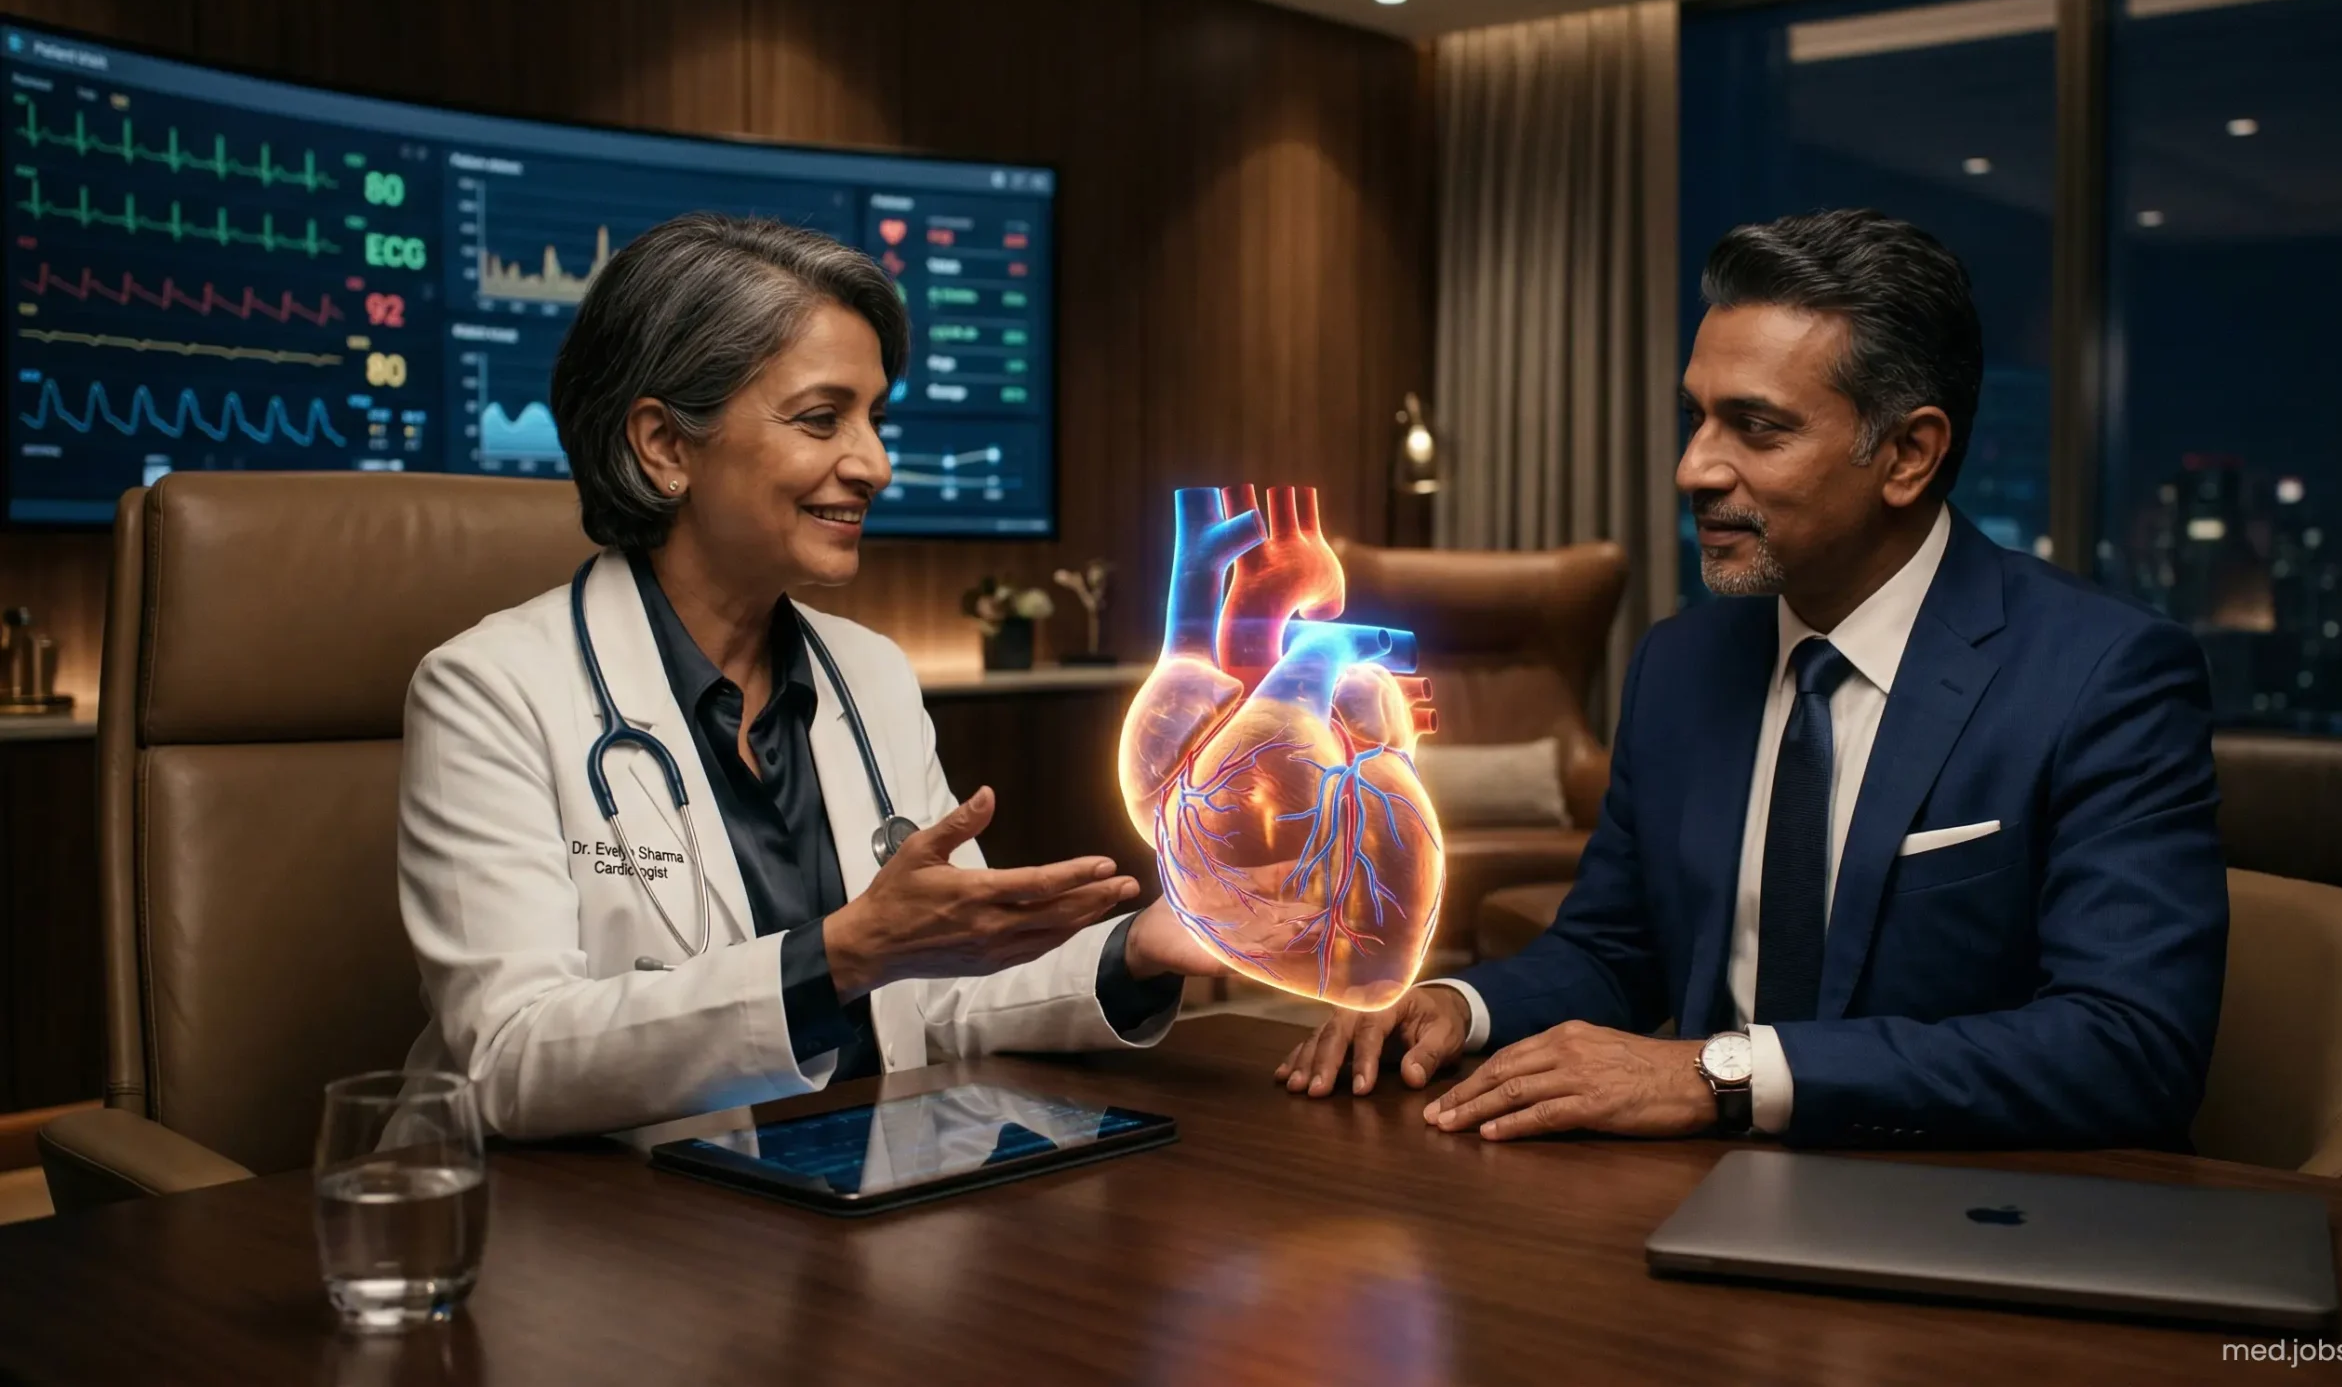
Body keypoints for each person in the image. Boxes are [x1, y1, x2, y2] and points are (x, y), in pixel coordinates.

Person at [1277, 209, 2227, 1151]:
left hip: (1972, 1215)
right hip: (1696, 1202)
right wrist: (1458, 1003)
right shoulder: (1679, 664)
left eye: (1756, 428)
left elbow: (2129, 1046)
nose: (1694, 468)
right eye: (1696, 417)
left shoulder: (2104, 674)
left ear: (1909, 455)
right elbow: (1618, 949)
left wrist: (1718, 1073)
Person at [397, 214, 1218, 1140]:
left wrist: (1141, 948)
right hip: (597, 1229)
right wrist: (841, 955)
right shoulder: (489, 690)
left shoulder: (868, 674)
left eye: (874, 419)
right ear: (665, 446)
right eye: (823, 418)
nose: (874, 462)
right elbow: (512, 1058)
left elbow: (941, 1000)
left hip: (845, 1201)